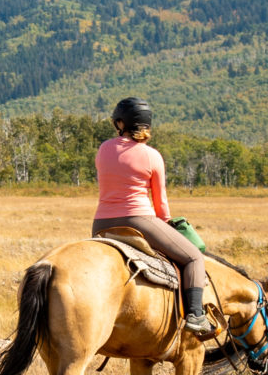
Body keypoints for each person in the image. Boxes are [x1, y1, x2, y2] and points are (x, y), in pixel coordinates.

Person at [93, 96, 217, 338]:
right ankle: (195, 316)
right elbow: (160, 203)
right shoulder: (151, 156)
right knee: (193, 258)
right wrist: (167, 224)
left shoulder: (104, 148)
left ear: (120, 123)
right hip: (139, 220)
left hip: (101, 223)